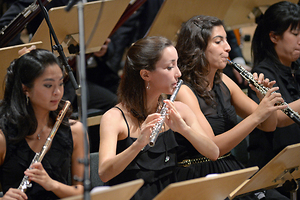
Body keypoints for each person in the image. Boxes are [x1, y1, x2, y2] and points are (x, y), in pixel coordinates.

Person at [175, 15, 289, 200]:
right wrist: (257, 116)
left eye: (226, 41)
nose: (227, 48)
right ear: (198, 47)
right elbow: (213, 149)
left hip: (229, 167)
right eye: (218, 41)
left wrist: (263, 99)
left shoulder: (224, 81)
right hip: (199, 173)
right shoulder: (184, 91)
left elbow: (269, 126)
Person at [98, 36, 219, 200]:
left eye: (177, 64)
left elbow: (213, 152)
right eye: (170, 67)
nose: (178, 73)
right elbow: (104, 173)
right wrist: (139, 143)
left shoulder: (179, 109)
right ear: (146, 74)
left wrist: (184, 129)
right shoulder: (114, 118)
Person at [0, 49, 86, 199]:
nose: (57, 92)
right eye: (48, 85)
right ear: (25, 88)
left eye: (60, 83)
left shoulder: (75, 130)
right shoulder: (3, 137)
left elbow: (83, 191)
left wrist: (52, 185)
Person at [248, 1, 300, 198]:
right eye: (295, 34)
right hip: (275, 170)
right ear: (274, 37)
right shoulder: (262, 74)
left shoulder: (297, 67)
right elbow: (278, 119)